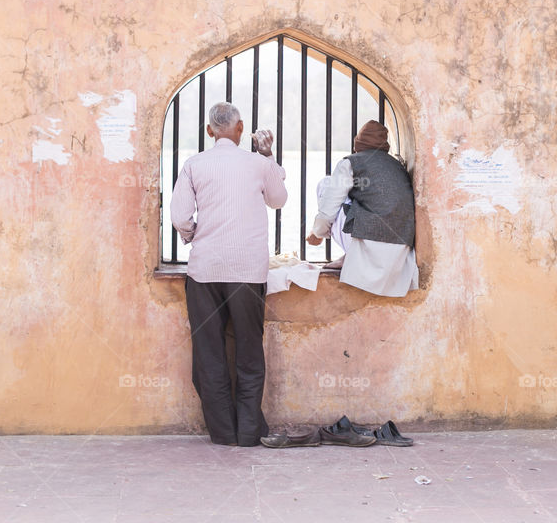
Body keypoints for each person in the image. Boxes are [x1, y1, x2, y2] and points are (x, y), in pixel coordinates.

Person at [170, 102, 287, 446]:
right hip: (248, 272)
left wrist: (194, 236)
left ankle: (222, 433)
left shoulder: (194, 165)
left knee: (209, 352)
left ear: (210, 131)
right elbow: (279, 201)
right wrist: (268, 157)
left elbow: (179, 218)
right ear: (240, 130)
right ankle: (249, 432)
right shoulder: (257, 163)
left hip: (204, 271)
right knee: (250, 351)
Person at [306, 120, 418, 297]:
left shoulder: (351, 163)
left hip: (369, 251)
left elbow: (329, 208)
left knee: (327, 184)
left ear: (357, 143)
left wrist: (317, 233)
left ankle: (349, 255)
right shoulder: (397, 166)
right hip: (400, 257)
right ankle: (349, 255)